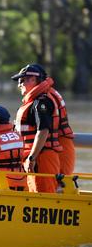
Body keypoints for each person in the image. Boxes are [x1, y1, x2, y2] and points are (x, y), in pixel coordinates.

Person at [11, 63, 75, 193]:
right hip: (45, 154)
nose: (20, 84)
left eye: (23, 80)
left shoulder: (41, 102)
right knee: (51, 192)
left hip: (42, 156)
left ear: (36, 80)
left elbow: (43, 130)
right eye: (19, 81)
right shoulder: (46, 96)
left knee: (43, 197)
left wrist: (31, 158)